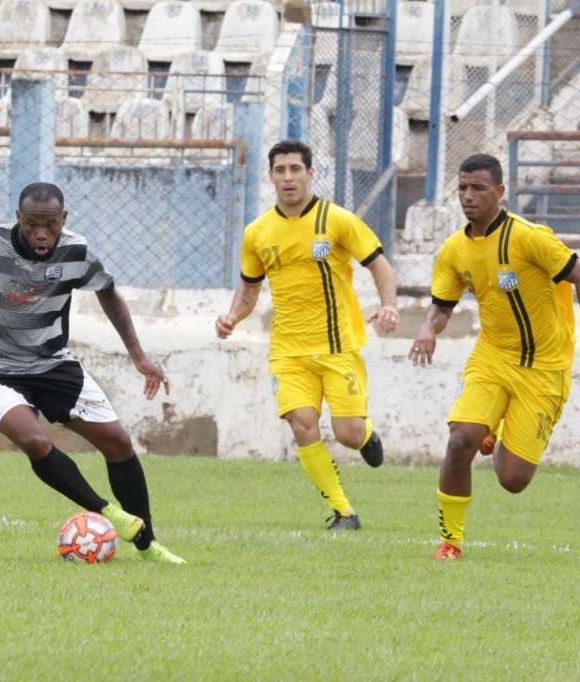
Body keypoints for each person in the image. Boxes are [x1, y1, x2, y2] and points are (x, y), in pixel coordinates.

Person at [0, 182, 185, 563]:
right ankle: (108, 513)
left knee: (117, 442)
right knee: (34, 440)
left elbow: (108, 292)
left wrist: (139, 357)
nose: (41, 234)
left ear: (64, 219)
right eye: (31, 224)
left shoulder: (76, 251)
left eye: (50, 225)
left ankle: (148, 546)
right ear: (18, 217)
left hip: (50, 362)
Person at [216, 140, 398, 529]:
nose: (288, 177)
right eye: (280, 170)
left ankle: (365, 435)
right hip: (288, 351)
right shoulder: (257, 232)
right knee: (302, 423)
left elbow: (379, 265)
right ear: (270, 177)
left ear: (310, 173)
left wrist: (389, 305)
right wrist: (232, 317)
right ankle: (343, 512)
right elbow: (248, 291)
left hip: (337, 346)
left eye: (295, 169)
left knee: (347, 433)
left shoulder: (337, 220)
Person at [409, 153, 579, 561]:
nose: (468, 196)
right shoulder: (454, 250)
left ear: (499, 192)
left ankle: (496, 431)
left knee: (513, 480)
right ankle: (450, 542)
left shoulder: (529, 237)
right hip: (492, 357)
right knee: (460, 441)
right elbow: (442, 307)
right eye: (462, 188)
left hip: (544, 368)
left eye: (478, 188)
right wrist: (427, 327)